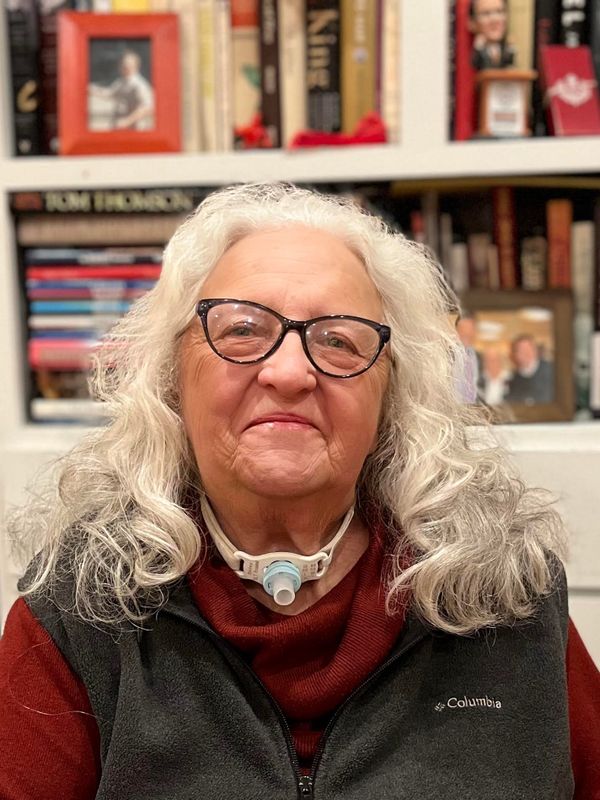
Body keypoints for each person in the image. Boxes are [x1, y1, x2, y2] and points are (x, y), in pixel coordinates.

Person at [1, 182, 599, 799]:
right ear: (171, 376)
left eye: (338, 339)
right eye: (241, 330)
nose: (288, 373)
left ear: (393, 394)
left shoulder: (511, 595)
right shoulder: (76, 615)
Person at [88, 50, 154, 131]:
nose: (123, 66)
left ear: (135, 66)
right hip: (119, 127)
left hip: (135, 130)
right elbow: (110, 93)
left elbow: (147, 107)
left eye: (127, 64)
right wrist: (92, 90)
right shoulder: (122, 81)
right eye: (122, 64)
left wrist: (127, 121)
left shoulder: (139, 85)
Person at [506, 333, 554, 404]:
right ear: (516, 355)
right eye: (521, 350)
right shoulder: (515, 378)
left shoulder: (551, 370)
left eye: (528, 349)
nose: (525, 353)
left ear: (535, 351)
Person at [469, 0, 516, 71]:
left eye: (499, 12)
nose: (494, 19)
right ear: (472, 23)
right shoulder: (479, 48)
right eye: (486, 13)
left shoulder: (507, 47)